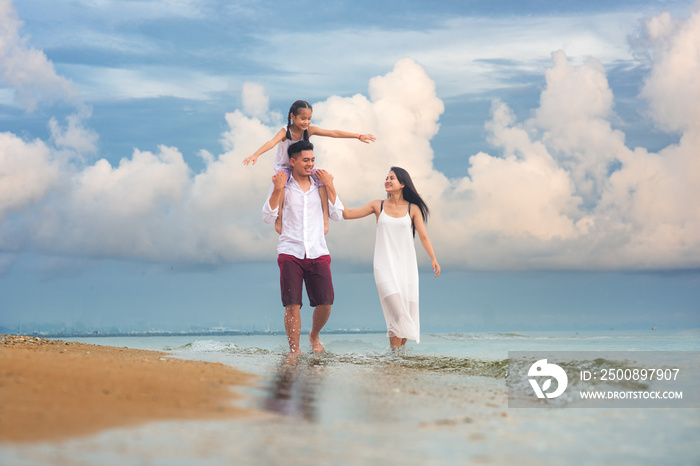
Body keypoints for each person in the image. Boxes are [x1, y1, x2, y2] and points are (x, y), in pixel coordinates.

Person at [339, 167, 440, 349]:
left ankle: (397, 360)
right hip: (383, 267)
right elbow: (347, 214)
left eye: (391, 178)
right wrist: (330, 188)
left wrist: (433, 258)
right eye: (386, 178)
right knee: (397, 313)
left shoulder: (413, 208)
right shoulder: (378, 205)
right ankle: (395, 357)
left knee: (406, 313)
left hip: (406, 269)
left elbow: (423, 236)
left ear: (402, 184)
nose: (387, 180)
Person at [262, 140, 344, 358]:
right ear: (293, 161)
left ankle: (314, 335)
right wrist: (277, 189)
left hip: (318, 251)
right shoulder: (283, 184)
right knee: (292, 305)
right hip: (290, 251)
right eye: (306, 160)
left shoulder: (320, 184)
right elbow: (267, 216)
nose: (310, 164)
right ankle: (294, 351)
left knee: (326, 303)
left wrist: (330, 185)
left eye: (313, 160)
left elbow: (337, 214)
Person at [245, 100, 375, 234]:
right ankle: (279, 218)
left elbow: (333, 133)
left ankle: (325, 219)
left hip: (303, 166)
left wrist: (358, 136)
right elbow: (271, 142)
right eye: (303, 118)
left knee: (321, 178)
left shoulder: (309, 130)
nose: (306, 122)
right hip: (284, 166)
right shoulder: (285, 132)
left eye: (309, 119)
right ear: (292, 116)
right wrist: (256, 155)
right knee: (281, 182)